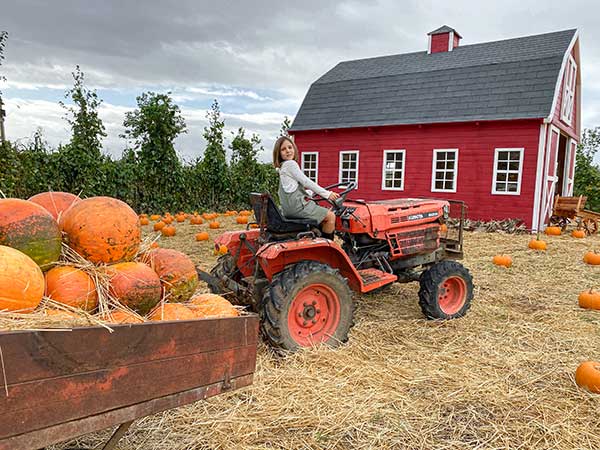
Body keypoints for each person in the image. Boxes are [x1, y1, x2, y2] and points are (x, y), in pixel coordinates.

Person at [272, 136, 339, 239]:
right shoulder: (291, 164)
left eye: (290, 147)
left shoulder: (282, 167)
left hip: (288, 210)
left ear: (294, 148)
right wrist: (327, 194)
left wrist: (309, 193)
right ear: (279, 153)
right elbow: (306, 181)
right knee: (330, 216)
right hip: (297, 208)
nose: (288, 151)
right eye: (283, 149)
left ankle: (318, 236)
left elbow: (291, 188)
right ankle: (329, 249)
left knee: (320, 213)